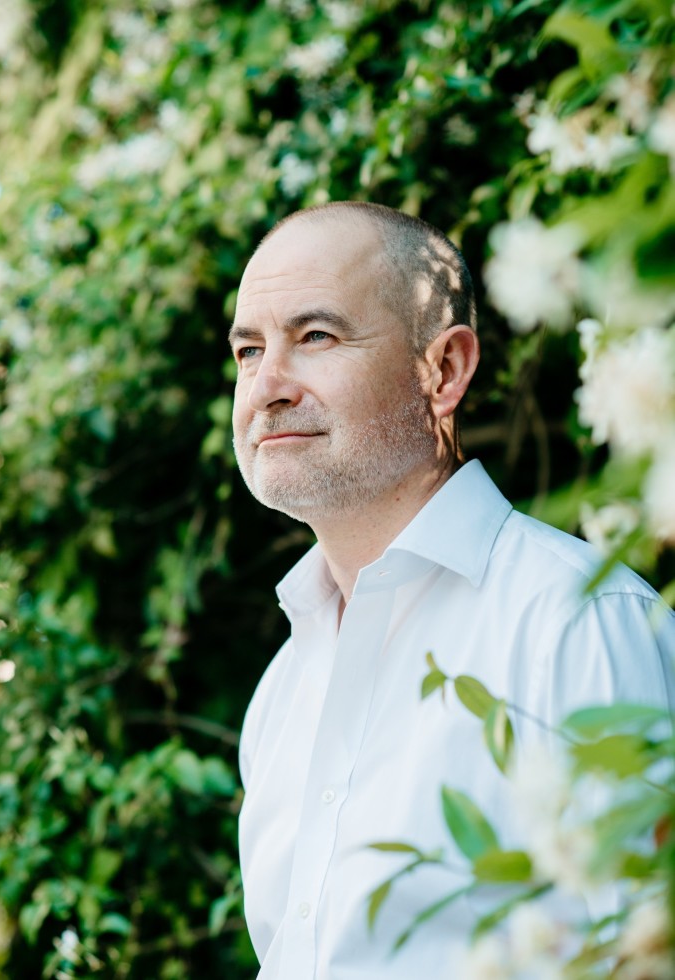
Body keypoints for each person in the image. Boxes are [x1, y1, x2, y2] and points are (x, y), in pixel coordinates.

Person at [229, 201, 674, 979]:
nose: (267, 385)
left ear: (444, 370)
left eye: (316, 337)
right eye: (247, 350)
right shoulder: (280, 690)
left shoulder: (579, 622)